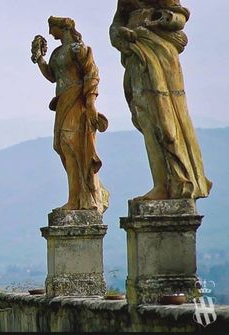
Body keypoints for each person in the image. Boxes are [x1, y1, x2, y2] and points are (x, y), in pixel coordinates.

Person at [110, 0, 212, 200]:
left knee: (166, 122)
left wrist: (160, 20)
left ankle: (181, 179)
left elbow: (180, 17)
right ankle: (161, 184)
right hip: (136, 55)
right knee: (146, 118)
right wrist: (120, 34)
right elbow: (116, 23)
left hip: (160, 55)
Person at [32, 16, 109, 212]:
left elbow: (92, 73)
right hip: (63, 101)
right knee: (63, 146)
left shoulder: (78, 49)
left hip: (77, 100)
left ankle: (81, 198)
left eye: (52, 28)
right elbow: (52, 76)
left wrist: (91, 102)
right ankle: (76, 196)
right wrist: (40, 58)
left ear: (62, 28)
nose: (50, 33)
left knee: (73, 145)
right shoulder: (57, 52)